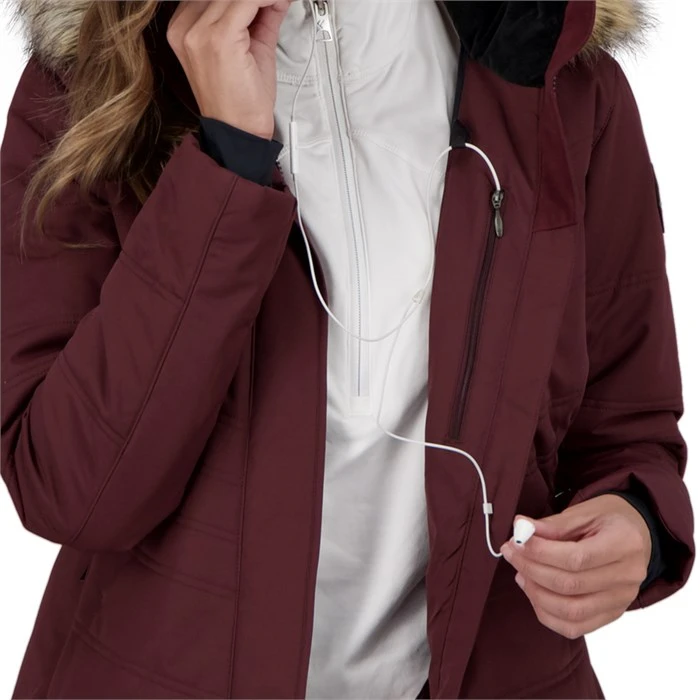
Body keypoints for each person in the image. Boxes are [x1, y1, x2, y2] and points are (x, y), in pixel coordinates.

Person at [1, 1, 695, 698]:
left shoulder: (549, 61)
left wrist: (634, 523)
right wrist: (226, 163)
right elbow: (67, 491)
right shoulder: (94, 74)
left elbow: (626, 427)